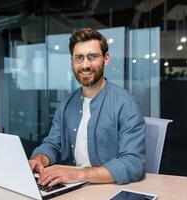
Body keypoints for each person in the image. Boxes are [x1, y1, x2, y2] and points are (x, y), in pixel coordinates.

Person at [29, 28, 146, 186]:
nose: (85, 65)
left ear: (106, 58)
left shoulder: (126, 104)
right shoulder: (66, 103)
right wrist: (39, 159)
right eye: (79, 58)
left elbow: (134, 163)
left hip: (106, 189)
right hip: (69, 186)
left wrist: (79, 174)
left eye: (92, 57)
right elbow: (53, 144)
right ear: (72, 61)